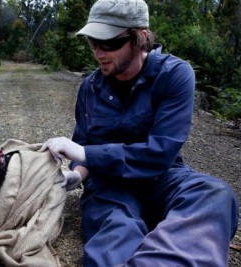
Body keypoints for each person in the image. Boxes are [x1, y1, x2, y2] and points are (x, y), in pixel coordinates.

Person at [39, 0, 239, 266]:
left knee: (214, 194)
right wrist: (77, 173)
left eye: (109, 43)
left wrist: (86, 154)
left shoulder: (175, 74)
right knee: (116, 228)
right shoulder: (89, 87)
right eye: (92, 43)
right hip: (110, 184)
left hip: (163, 176)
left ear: (140, 38)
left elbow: (161, 153)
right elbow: (84, 143)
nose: (99, 53)